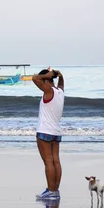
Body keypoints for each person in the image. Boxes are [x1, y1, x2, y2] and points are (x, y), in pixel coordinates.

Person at [32, 69, 64, 200]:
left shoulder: (49, 91)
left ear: (46, 80)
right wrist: (60, 75)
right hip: (56, 132)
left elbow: (34, 78)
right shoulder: (60, 92)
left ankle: (51, 191)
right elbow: (61, 83)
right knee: (56, 161)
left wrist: (47, 75)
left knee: (48, 162)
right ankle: (55, 191)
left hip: (44, 131)